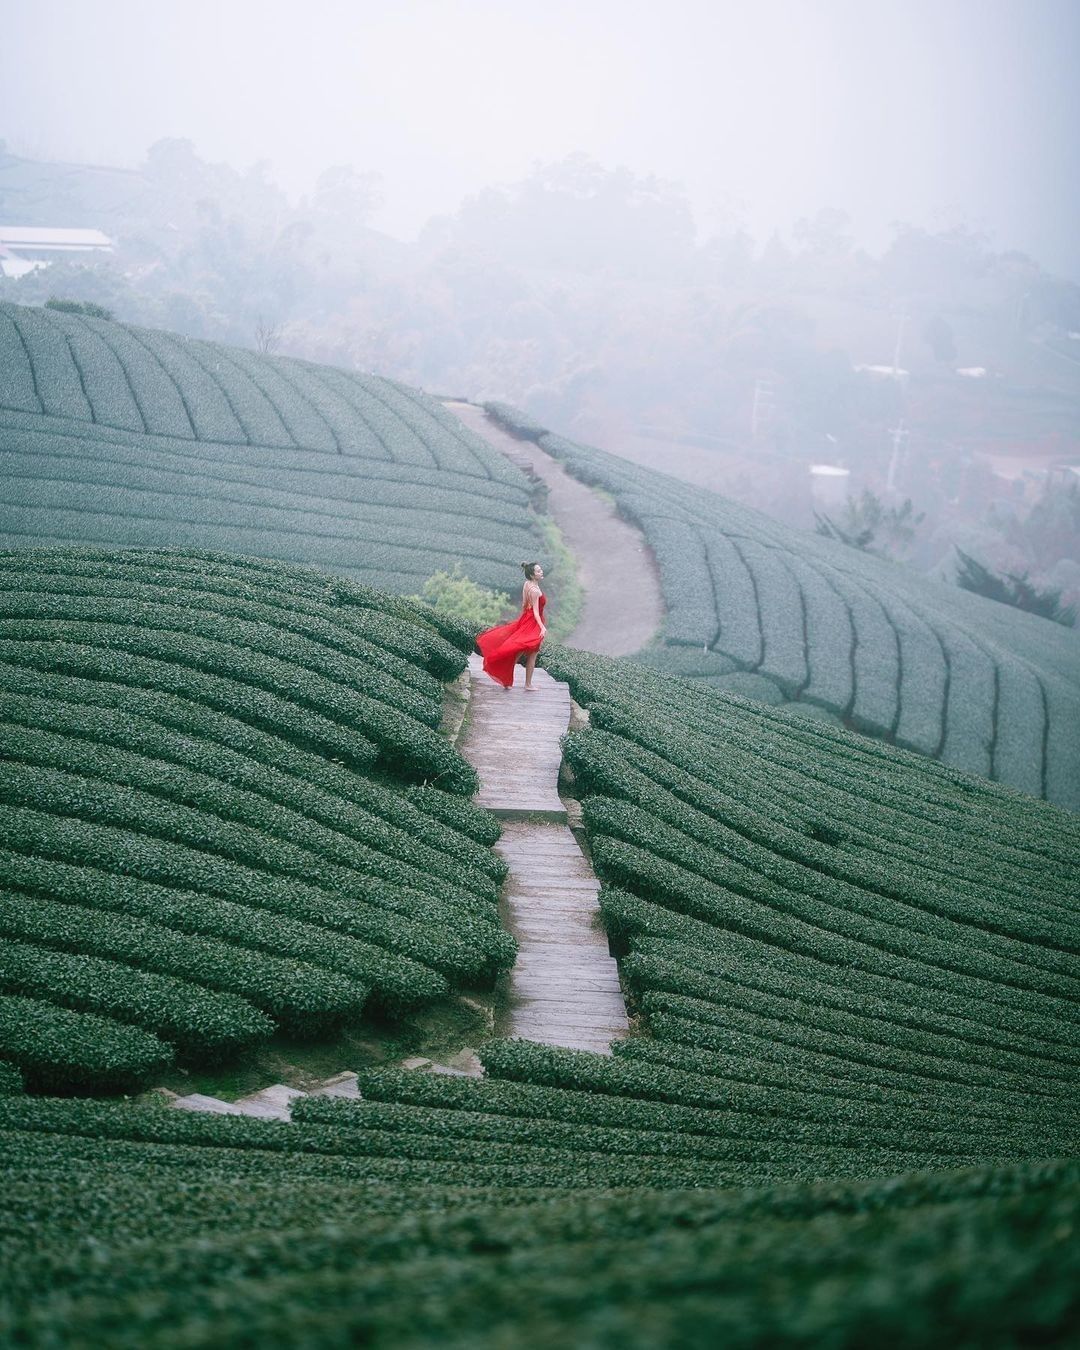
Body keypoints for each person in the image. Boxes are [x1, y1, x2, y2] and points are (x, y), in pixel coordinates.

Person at [476, 562, 547, 689]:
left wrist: (524, 619)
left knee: (517, 650)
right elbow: (536, 611)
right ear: (532, 575)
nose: (541, 572)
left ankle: (506, 679)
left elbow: (524, 604)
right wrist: (542, 626)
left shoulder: (527, 584)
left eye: (540, 570)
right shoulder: (535, 591)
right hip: (533, 623)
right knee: (532, 653)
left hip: (526, 618)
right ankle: (527, 684)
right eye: (538, 571)